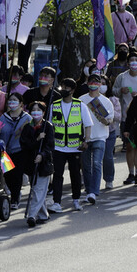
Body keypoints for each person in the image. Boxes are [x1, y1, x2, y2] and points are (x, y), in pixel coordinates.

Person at [48, 79, 91, 213]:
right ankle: (56, 202)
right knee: (58, 175)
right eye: (62, 87)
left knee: (75, 174)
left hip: (75, 147)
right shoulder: (54, 105)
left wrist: (86, 141)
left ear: (72, 90)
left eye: (66, 87)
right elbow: (49, 125)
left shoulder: (80, 105)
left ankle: (76, 200)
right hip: (58, 146)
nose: (63, 89)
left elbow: (88, 124)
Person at [80, 74, 113, 204]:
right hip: (85, 137)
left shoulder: (106, 101)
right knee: (86, 166)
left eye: (97, 82)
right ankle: (89, 190)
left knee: (96, 163)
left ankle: (94, 191)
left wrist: (106, 121)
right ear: (87, 83)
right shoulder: (81, 100)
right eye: (91, 81)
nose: (94, 84)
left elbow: (110, 119)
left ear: (100, 84)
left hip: (100, 136)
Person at [21, 102, 54, 227]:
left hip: (44, 165)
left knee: (39, 190)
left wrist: (43, 155)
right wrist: (37, 140)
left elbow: (50, 146)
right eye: (33, 110)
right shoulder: (27, 128)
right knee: (36, 190)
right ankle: (43, 214)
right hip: (30, 164)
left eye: (38, 110)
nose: (35, 112)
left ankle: (32, 215)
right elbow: (25, 145)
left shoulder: (48, 127)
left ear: (43, 112)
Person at [113, 53, 137, 186]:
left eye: (136, 60)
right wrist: (121, 90)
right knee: (130, 146)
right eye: (131, 60)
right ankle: (131, 173)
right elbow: (114, 90)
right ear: (127, 63)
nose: (134, 63)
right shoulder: (122, 77)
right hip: (127, 117)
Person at [0, 93, 30, 206]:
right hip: (5, 152)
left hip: (20, 151)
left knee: (17, 175)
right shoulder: (3, 117)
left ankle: (15, 199)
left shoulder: (27, 118)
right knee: (8, 176)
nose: (12, 103)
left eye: (15, 100)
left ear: (21, 103)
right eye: (10, 100)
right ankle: (14, 192)